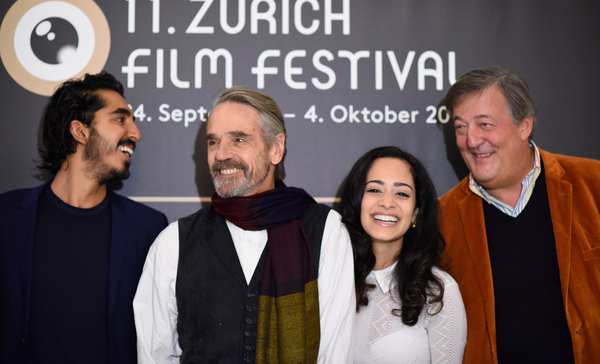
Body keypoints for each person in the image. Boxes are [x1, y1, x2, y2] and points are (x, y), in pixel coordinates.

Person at [134, 86, 355, 363]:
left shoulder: (326, 231)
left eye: (238, 139)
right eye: (213, 142)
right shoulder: (173, 242)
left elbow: (334, 354)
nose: (222, 154)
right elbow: (154, 356)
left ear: (276, 149)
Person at [0, 72, 168, 364]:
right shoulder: (6, 217)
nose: (136, 133)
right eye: (120, 119)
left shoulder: (148, 230)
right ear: (80, 131)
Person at [439, 66, 600, 364]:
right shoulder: (442, 220)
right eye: (460, 127)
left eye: (484, 124)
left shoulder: (593, 184)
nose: (471, 141)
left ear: (524, 126)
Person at [339, 146, 467, 364]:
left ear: (415, 212)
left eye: (402, 193)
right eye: (374, 190)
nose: (387, 202)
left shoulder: (439, 291)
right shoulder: (334, 280)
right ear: (358, 201)